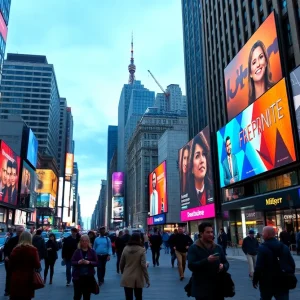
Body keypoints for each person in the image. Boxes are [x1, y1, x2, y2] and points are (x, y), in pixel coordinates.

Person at [188, 222, 229, 300]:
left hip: (217, 286)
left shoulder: (218, 247)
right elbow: (191, 266)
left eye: (211, 232)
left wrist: (223, 266)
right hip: (201, 287)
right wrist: (206, 260)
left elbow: (225, 262)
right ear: (201, 233)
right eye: (208, 232)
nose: (211, 234)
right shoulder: (194, 248)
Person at [253, 226, 295, 300]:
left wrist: (255, 279)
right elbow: (291, 263)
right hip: (282, 280)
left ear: (267, 234)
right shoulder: (284, 247)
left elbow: (259, 267)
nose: (262, 234)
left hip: (267, 282)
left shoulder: (262, 248)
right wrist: (289, 274)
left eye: (263, 232)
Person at [9, 231, 41, 300]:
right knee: (26, 296)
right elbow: (37, 265)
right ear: (30, 239)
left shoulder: (15, 249)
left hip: (16, 277)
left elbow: (10, 264)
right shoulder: (33, 250)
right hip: (28, 278)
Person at [120, 233, 150, 300]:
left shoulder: (125, 248)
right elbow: (143, 265)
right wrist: (147, 279)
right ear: (139, 239)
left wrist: (123, 272)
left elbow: (121, 263)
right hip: (138, 277)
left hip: (127, 276)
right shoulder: (142, 250)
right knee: (138, 297)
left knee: (128, 297)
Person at [187, 132, 214, 207]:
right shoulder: (187, 199)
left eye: (204, 154)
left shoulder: (213, 191)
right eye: (197, 156)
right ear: (191, 168)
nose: (202, 160)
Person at [72, 234, 98, 300]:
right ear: (80, 242)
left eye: (86, 241)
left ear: (88, 242)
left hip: (88, 278)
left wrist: (89, 262)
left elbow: (97, 263)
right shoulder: (77, 251)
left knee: (87, 296)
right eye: (82, 241)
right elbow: (72, 262)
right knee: (77, 296)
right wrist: (78, 262)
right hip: (78, 278)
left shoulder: (92, 251)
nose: (84, 242)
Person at [248, 40, 274, 106]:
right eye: (254, 62)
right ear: (250, 73)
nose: (258, 64)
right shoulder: (249, 108)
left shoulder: (276, 90)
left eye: (261, 57)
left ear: (266, 62)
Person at [3, 226, 24, 297]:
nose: (20, 233)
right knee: (9, 276)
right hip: (10, 261)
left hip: (21, 262)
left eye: (22, 232)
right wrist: (6, 256)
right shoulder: (12, 240)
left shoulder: (26, 241)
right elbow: (6, 249)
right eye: (19, 231)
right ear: (16, 232)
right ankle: (7, 290)